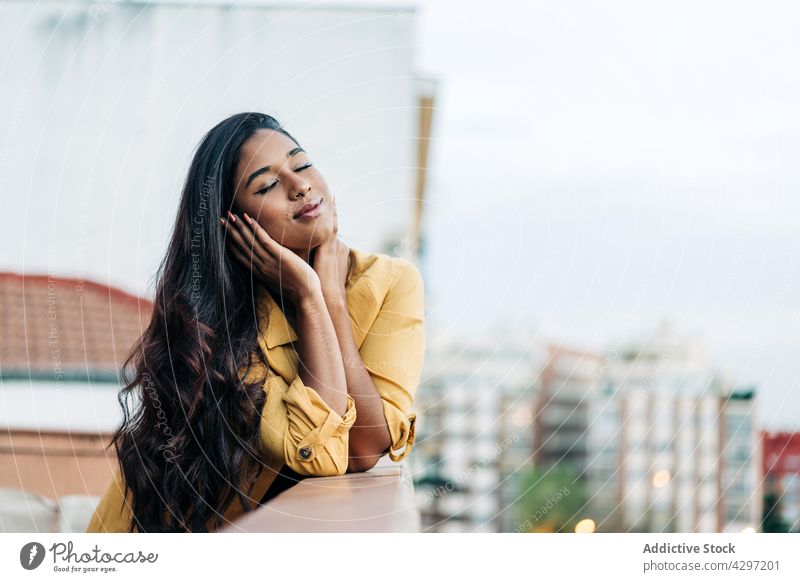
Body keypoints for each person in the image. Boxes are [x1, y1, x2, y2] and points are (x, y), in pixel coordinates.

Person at [85, 112, 425, 533]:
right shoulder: (220, 323)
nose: (300, 185)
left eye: (301, 165)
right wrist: (310, 298)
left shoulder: (391, 282)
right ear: (233, 225)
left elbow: (367, 445)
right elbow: (318, 450)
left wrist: (332, 300)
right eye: (267, 185)